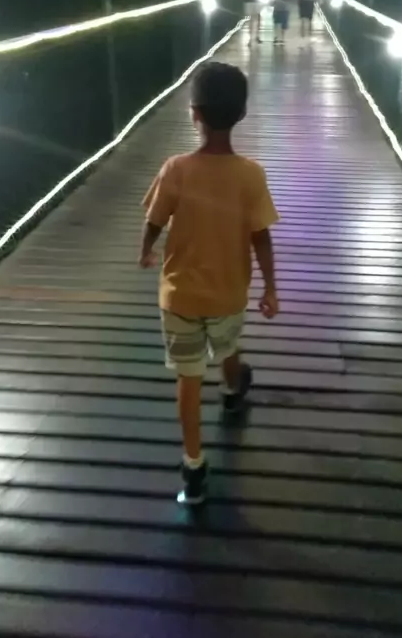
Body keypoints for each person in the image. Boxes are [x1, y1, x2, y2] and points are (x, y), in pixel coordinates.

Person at [140, 62, 279, 506]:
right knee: (228, 343)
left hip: (179, 296)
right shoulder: (251, 174)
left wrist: (146, 250)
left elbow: (154, 220)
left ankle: (194, 464)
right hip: (228, 293)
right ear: (242, 113)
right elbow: (261, 235)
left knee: (189, 376)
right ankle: (234, 390)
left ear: (194, 113)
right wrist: (270, 287)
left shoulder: (176, 168)